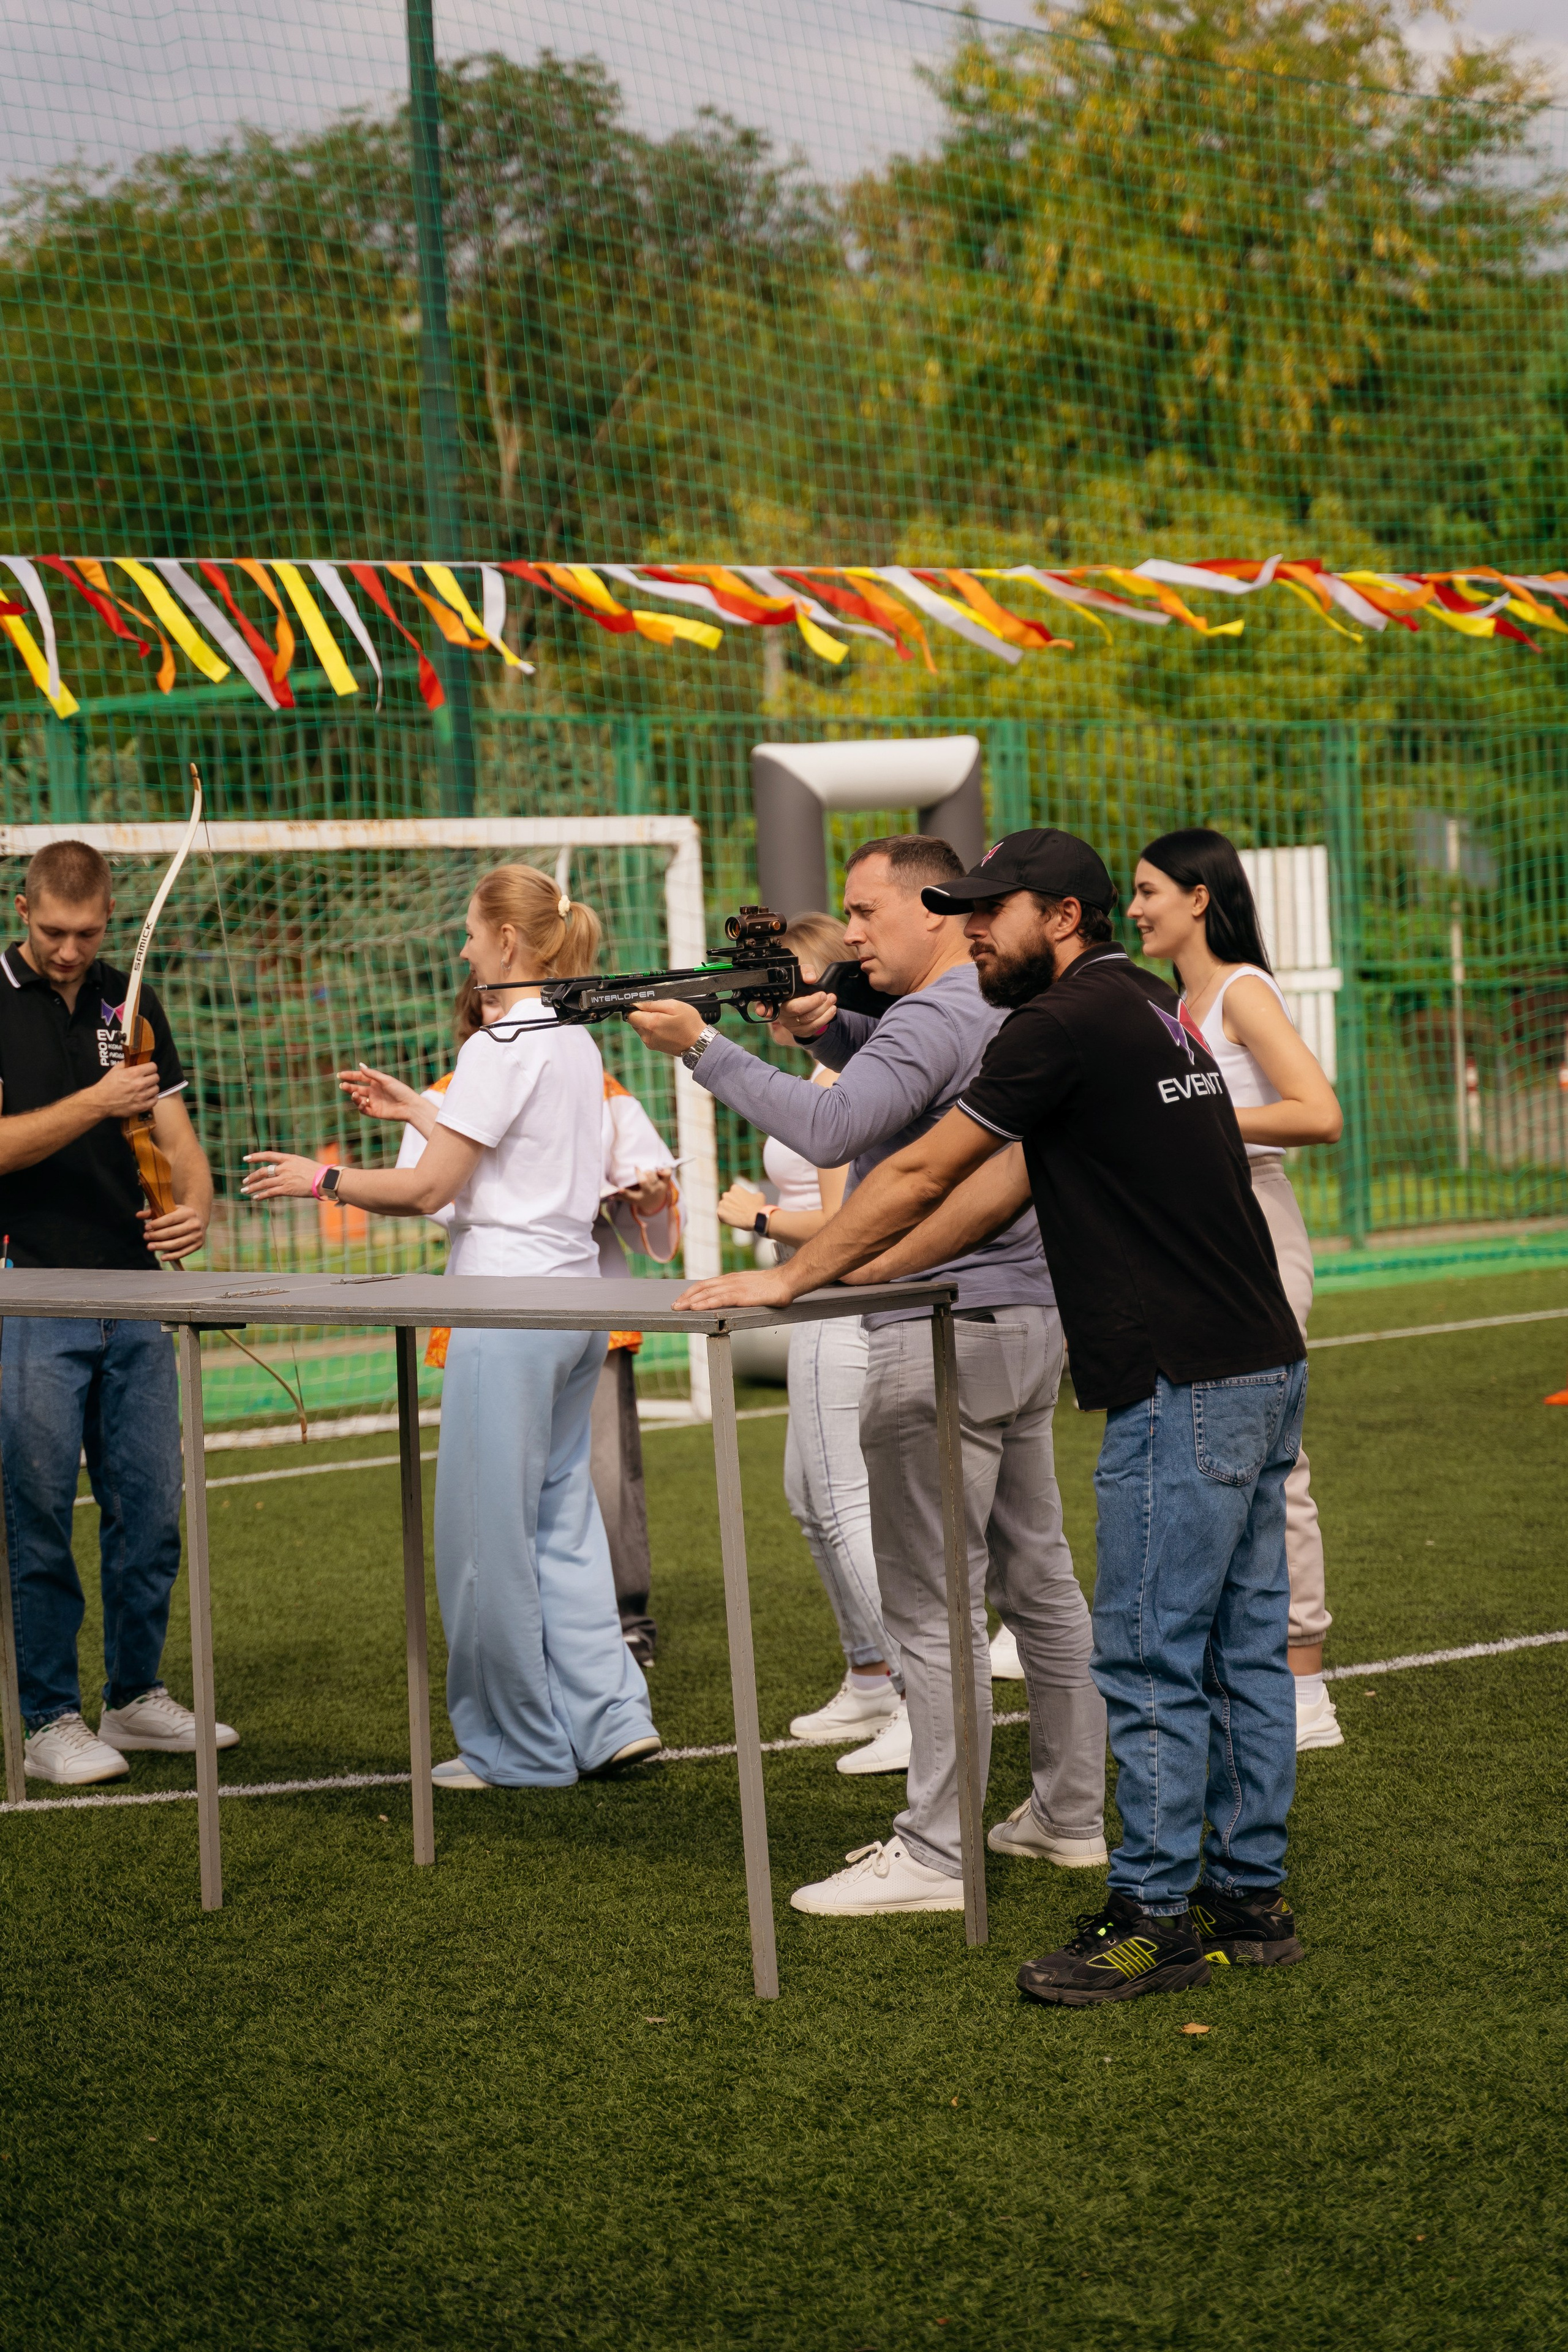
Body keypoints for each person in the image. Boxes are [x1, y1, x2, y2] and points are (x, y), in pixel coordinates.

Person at [676, 827, 1309, 2006]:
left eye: (990, 913)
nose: (972, 933)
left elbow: (920, 1173)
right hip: (1260, 1361)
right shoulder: (1140, 1007)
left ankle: (1154, 1917)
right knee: (1230, 1644)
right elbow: (989, 1194)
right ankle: (1248, 1901)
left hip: (1185, 1379)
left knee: (1151, 1651)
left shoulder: (1061, 1023)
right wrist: (860, 1275)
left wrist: (789, 1273)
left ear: (1061, 918)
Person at [631, 835, 1107, 1915]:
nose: (848, 933)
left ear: (933, 912)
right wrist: (829, 1023)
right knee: (1038, 1581)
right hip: (1022, 1314)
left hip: (940, 1325)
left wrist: (702, 1045)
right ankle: (1068, 1815)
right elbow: (915, 1066)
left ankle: (939, 1854)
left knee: (934, 1600)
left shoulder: (941, 1007)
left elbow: (838, 1121)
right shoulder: (984, 1001)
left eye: (864, 912)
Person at [244, 863, 659, 1789]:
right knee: (562, 1517)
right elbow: (517, 1153)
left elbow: (434, 1190)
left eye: (472, 931)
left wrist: (320, 1179)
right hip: (575, 1305)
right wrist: (421, 1109)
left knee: (483, 1540)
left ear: (508, 941)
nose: (463, 947)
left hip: (503, 1310)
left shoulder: (496, 1045)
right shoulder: (573, 1042)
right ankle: (610, 1718)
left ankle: (516, 1749)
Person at [0, 837, 234, 1786]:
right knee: (38, 1515)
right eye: (53, 932)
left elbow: (178, 1138)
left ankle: (133, 1697)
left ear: (109, 918)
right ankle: (48, 1716)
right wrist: (98, 1102)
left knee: (152, 1510)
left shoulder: (128, 1002)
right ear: (22, 912)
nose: (69, 949)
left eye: (87, 932)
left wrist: (195, 1209)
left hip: (136, 1295)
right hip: (29, 1295)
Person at [1131, 829, 1345, 1751]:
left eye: (1146, 891)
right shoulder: (1177, 1002)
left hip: (1257, 1226)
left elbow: (1318, 1112)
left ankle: (1306, 1687)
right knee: (1209, 1455)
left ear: (1197, 898)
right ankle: (1244, 1668)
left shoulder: (1242, 991)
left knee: (1273, 1466)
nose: (1133, 908)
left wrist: (1186, 1116)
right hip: (1200, 1234)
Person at [370, 1063, 680, 1674]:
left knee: (599, 1473)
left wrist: (645, 1194)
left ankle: (616, 1623)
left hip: (585, 1300)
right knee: (506, 1479)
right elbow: (426, 1194)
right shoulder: (450, 1092)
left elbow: (653, 1184)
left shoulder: (597, 1084)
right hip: (498, 1300)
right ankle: (523, 1632)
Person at [714, 912, 902, 1760]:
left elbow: (842, 1222)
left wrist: (755, 1217)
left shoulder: (839, 1082)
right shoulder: (830, 1070)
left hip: (843, 1303)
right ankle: (868, 1675)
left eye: (773, 992)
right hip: (821, 1307)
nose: (764, 1012)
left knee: (845, 1500)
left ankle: (914, 1695)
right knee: (807, 1494)